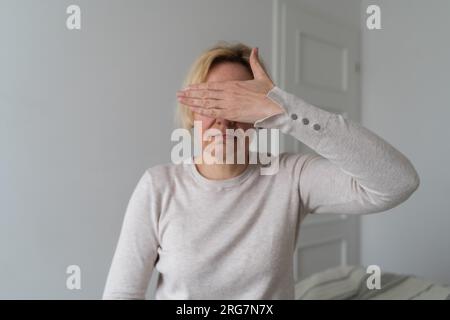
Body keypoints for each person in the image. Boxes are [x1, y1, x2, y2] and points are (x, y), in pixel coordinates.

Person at [102, 42, 420, 300]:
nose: (223, 118)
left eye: (238, 102)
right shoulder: (158, 187)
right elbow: (122, 293)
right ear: (191, 114)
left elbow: (398, 183)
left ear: (259, 117)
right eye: (213, 101)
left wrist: (284, 110)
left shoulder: (289, 177)